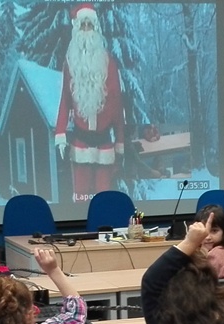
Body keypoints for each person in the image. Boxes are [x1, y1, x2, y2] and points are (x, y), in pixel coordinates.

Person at [54, 3, 124, 201]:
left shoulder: (109, 63)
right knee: (81, 197)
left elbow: (118, 107)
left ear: (96, 29)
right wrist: (60, 134)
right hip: (80, 142)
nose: (86, 30)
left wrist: (120, 142)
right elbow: (65, 101)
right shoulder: (70, 64)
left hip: (104, 142)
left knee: (104, 198)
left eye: (89, 25)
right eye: (82, 25)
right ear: (77, 29)